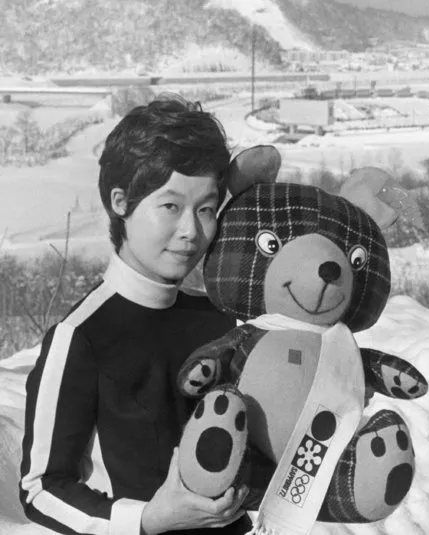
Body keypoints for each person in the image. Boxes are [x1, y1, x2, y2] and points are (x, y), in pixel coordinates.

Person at [19, 94, 253, 534]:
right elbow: (41, 489)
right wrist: (148, 518)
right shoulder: (82, 335)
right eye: (170, 206)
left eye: (205, 209)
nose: (191, 231)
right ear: (121, 202)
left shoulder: (219, 319)